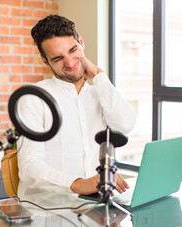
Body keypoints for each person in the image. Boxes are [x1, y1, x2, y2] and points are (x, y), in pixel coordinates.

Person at [16, 14, 136, 197]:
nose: (70, 62)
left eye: (73, 50)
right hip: (50, 210)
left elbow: (125, 124)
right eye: (57, 58)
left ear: (81, 41)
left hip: (94, 206)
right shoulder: (33, 98)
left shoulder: (99, 92)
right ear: (44, 60)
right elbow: (29, 167)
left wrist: (98, 74)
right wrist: (77, 184)